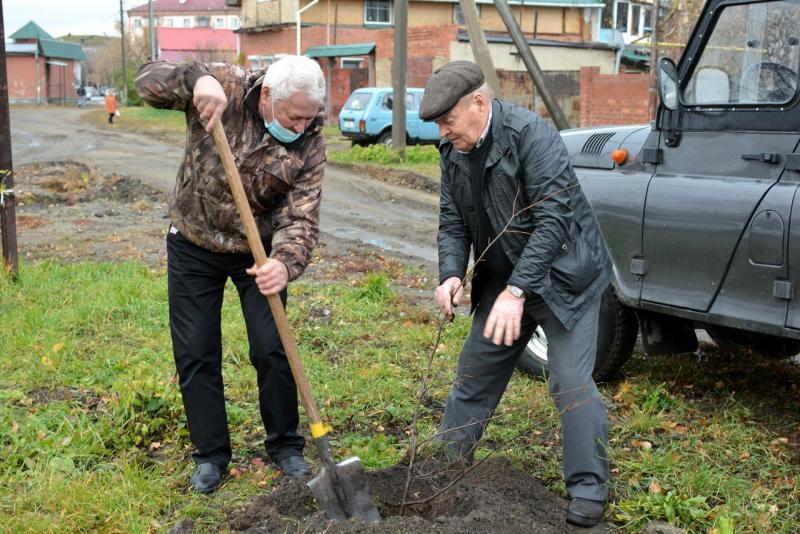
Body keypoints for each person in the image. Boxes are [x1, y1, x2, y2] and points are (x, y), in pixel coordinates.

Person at [420, 61, 612, 528]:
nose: (444, 133)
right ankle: (443, 470)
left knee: (569, 382)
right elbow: (452, 220)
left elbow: (553, 221)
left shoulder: (533, 137)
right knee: (474, 375)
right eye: (439, 125)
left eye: (448, 121)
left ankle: (588, 487)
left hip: (564, 281)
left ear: (479, 104)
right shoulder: (454, 152)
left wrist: (519, 289)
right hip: (504, 284)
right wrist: (451, 273)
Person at [134, 55, 327, 494]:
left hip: (256, 254)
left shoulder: (311, 142)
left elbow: (302, 217)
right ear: (267, 97)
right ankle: (211, 455)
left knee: (271, 346)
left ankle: (285, 446)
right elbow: (146, 79)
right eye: (293, 116)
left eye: (308, 117)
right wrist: (195, 80)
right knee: (196, 350)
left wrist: (284, 263)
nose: (300, 126)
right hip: (193, 242)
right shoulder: (225, 86)